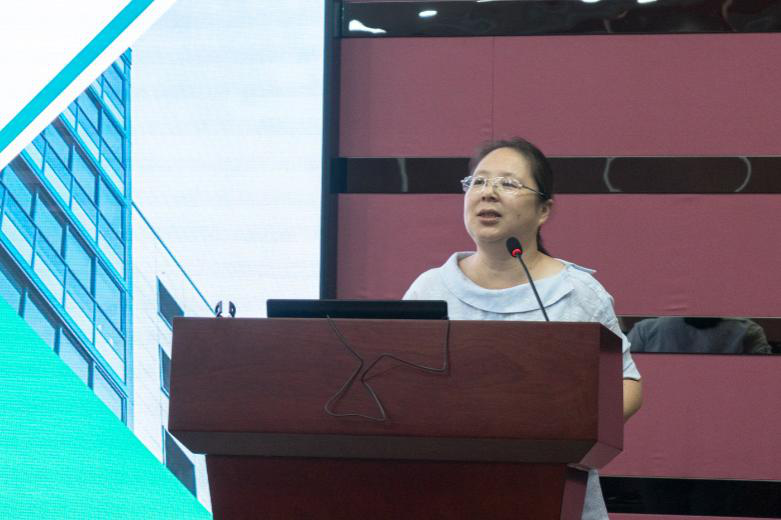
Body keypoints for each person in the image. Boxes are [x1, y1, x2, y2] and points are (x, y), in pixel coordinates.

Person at [403, 137, 643, 520]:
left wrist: (576, 437)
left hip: (554, 492)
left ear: (543, 210)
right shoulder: (430, 288)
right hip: (448, 490)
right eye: (478, 182)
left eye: (508, 183)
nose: (488, 193)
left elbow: (627, 383)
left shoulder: (576, 291)